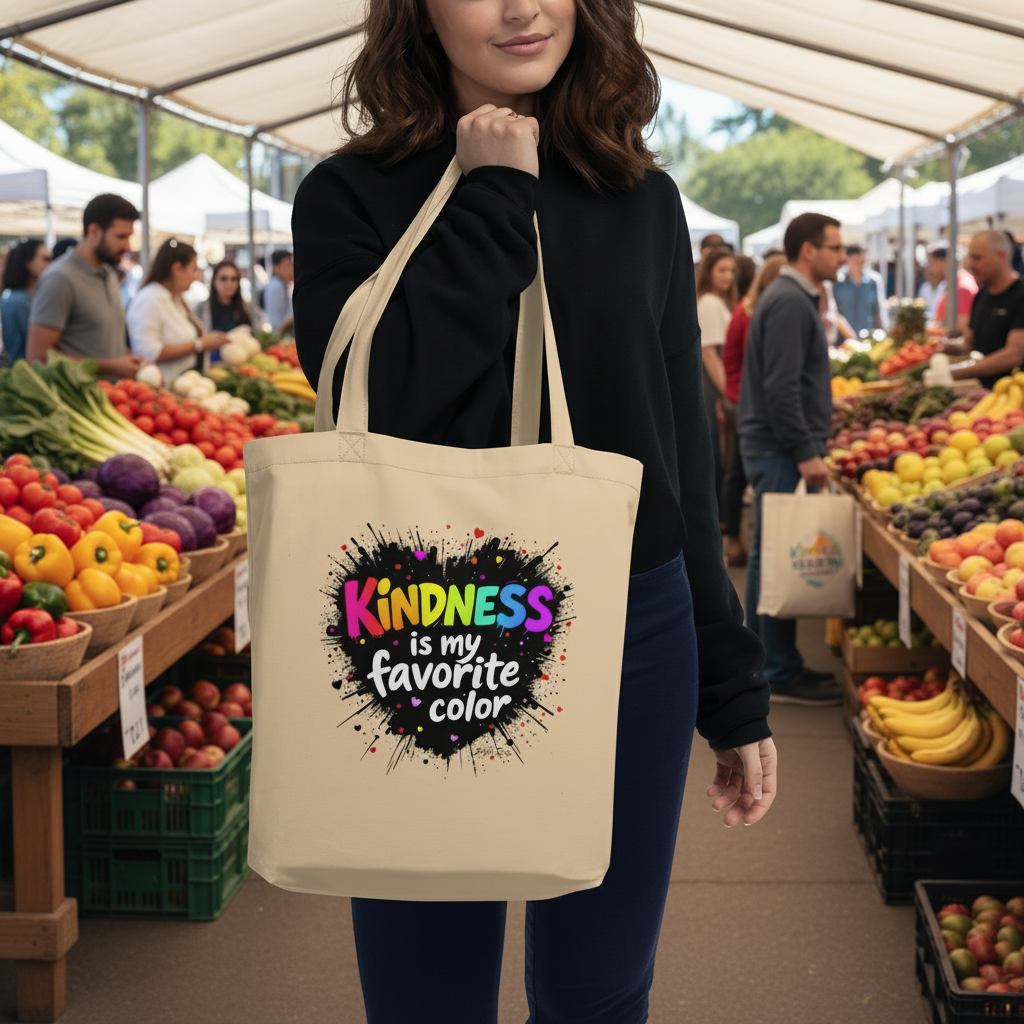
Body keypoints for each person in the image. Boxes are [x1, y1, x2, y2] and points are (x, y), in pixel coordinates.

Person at [291, 0, 777, 1019]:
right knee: (426, 989)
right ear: (418, 13)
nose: (520, 7)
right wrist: (494, 192)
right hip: (427, 623)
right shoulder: (349, 195)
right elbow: (385, 388)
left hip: (628, 628)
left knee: (599, 988)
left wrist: (729, 689)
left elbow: (675, 455)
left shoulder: (640, 199)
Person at [738, 212, 845, 707]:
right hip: (779, 449)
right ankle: (776, 669)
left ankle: (772, 664)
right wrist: (805, 451)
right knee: (776, 557)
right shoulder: (788, 302)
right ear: (809, 250)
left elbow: (791, 382)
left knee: (772, 555)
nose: (841, 256)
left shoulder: (792, 299)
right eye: (835, 247)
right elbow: (780, 388)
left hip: (777, 446)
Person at [26, 194, 145, 379]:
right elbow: (37, 357)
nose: (127, 245)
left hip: (114, 398)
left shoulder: (109, 275)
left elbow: (98, 342)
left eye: (129, 237)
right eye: (121, 237)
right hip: (78, 402)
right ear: (94, 231)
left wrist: (128, 358)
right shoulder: (60, 279)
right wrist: (110, 366)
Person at [721, 254, 785, 568]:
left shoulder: (747, 308)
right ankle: (734, 541)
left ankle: (735, 540)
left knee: (737, 472)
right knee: (739, 472)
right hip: (745, 400)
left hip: (739, 397)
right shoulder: (756, 313)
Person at [126, 239, 228, 385]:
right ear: (177, 268)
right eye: (194, 269)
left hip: (187, 384)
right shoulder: (150, 299)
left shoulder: (177, 298)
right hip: (165, 389)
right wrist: (199, 344)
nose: (196, 276)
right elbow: (149, 352)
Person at [946, 230, 1024, 388]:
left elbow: (1014, 354)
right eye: (970, 257)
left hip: (1011, 395)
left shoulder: (1020, 295)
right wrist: (943, 347)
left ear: (1001, 256)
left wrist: (954, 372)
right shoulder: (981, 296)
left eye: (977, 258)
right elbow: (969, 343)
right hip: (980, 391)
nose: (970, 265)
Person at [696, 246, 738, 530]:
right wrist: (727, 392)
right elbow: (709, 353)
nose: (728, 276)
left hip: (717, 383)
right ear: (709, 271)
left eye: (732, 271)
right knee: (717, 454)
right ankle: (720, 519)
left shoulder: (716, 301)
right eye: (722, 270)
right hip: (713, 384)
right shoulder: (710, 303)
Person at [0, 238, 51, 363]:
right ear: (29, 263)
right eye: (45, 259)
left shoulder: (19, 296)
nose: (51, 264)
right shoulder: (19, 300)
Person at [196, 259, 265, 334]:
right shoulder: (202, 309)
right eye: (223, 279)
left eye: (233, 279)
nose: (229, 284)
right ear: (214, 281)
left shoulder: (248, 308)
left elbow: (261, 328)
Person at [832, 244, 882, 336]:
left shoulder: (873, 281)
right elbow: (834, 311)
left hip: (869, 337)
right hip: (843, 340)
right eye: (855, 260)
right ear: (847, 259)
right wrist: (850, 335)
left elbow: (878, 311)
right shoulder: (837, 281)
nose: (858, 263)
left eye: (861, 260)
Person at [931, 243, 978, 336]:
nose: (931, 267)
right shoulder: (953, 284)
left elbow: (961, 327)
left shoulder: (962, 288)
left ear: (942, 261)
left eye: (933, 262)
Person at [262, 250, 294, 336]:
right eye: (288, 265)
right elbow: (278, 325)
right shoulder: (276, 286)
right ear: (275, 267)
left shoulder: (283, 285)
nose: (292, 268)